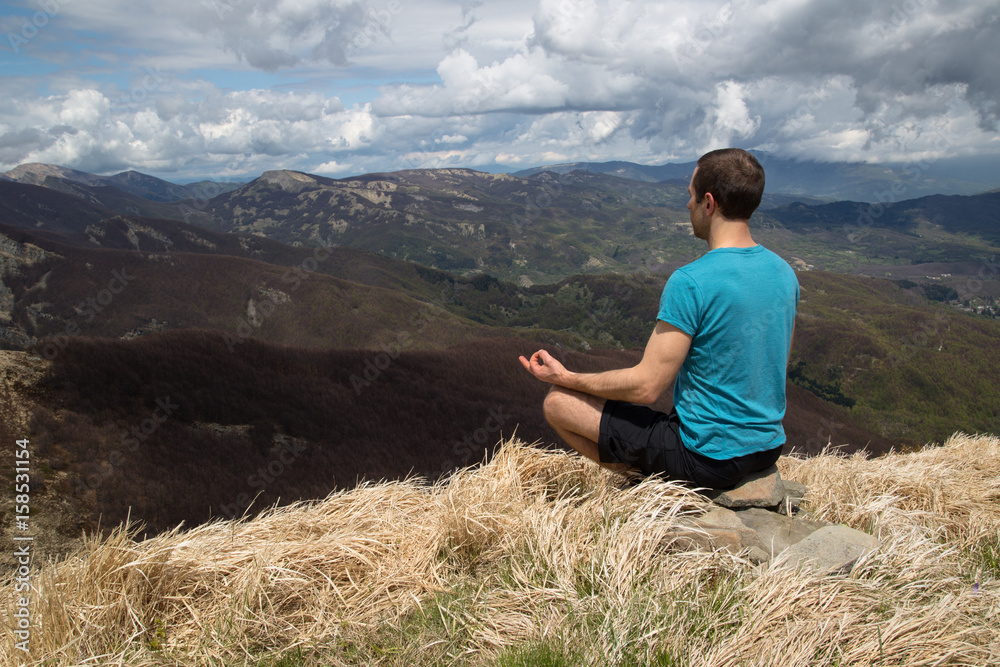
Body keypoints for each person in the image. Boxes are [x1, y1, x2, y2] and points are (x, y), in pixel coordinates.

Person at [519, 148, 799, 489]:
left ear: (709, 203)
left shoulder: (692, 281)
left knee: (558, 403)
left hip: (707, 458)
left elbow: (646, 387)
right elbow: (775, 364)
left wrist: (566, 378)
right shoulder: (784, 273)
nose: (688, 205)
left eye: (691, 196)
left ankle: (651, 490)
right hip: (768, 448)